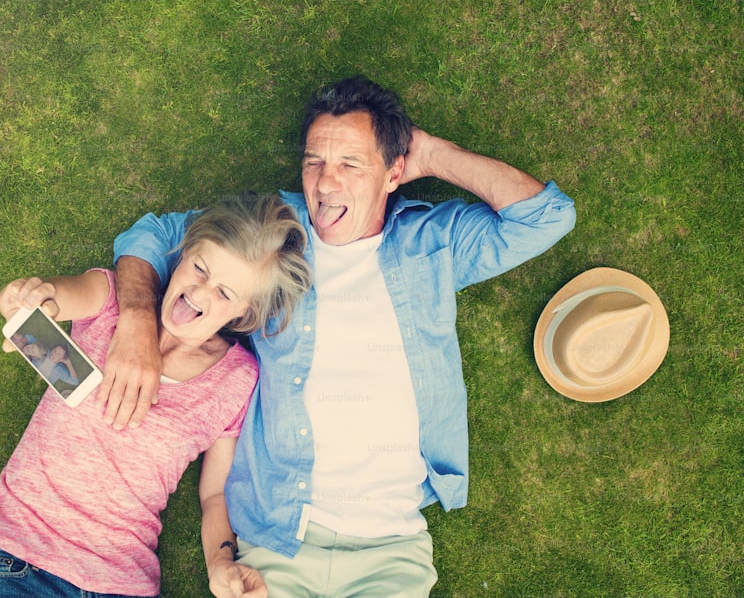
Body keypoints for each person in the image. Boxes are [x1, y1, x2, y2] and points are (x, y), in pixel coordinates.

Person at [105, 75, 577, 596]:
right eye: (315, 162)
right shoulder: (271, 233)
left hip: (391, 547)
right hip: (278, 537)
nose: (326, 185)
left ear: (394, 171)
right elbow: (151, 234)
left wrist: (434, 155)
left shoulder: (432, 243)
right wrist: (134, 321)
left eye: (351, 164)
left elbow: (547, 218)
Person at [0, 193, 311, 598]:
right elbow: (54, 297)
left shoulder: (236, 380)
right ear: (180, 256)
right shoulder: (112, 303)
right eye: (199, 268)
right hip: (18, 563)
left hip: (122, 584)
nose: (200, 292)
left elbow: (214, 493)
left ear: (243, 314)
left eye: (225, 294)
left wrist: (220, 563)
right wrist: (25, 300)